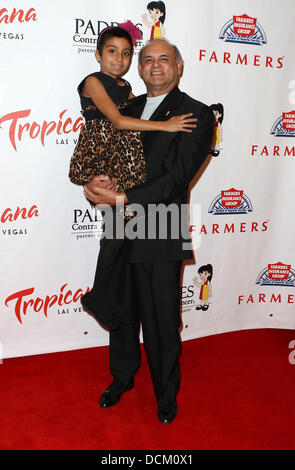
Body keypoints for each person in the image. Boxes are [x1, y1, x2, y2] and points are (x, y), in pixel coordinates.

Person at [82, 38, 214, 424]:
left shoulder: (198, 114)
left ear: (179, 67)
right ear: (138, 70)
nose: (156, 66)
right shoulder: (126, 108)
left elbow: (177, 177)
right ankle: (121, 379)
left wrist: (122, 198)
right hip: (120, 226)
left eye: (165, 59)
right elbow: (103, 154)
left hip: (162, 224)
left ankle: (165, 396)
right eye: (148, 60)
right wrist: (95, 183)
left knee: (160, 320)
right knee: (121, 312)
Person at [69, 23, 195, 191]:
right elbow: (119, 121)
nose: (119, 58)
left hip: (122, 151)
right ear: (98, 54)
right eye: (112, 51)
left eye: (126, 53)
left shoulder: (124, 85)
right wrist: (166, 125)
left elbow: (144, 109)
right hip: (100, 148)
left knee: (131, 199)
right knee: (113, 200)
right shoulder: (93, 82)